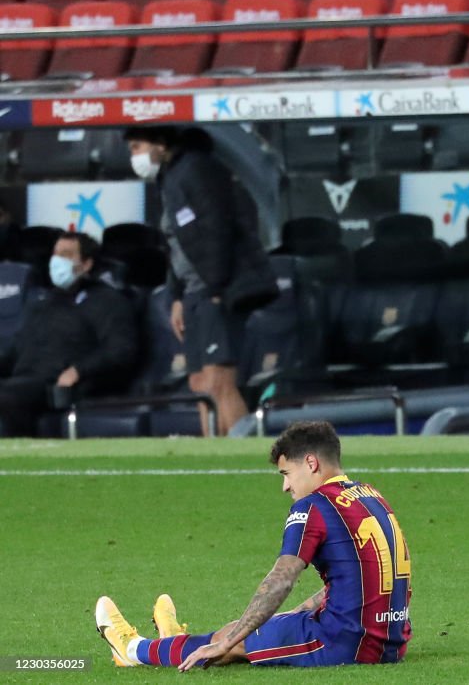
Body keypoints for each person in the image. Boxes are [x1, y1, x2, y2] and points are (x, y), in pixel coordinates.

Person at [95, 420, 413, 671]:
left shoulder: (313, 506)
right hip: (391, 641)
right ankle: (176, 641)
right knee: (252, 629)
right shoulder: (370, 496)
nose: (285, 485)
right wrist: (293, 614)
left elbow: (282, 577)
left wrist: (231, 639)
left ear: (312, 464)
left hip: (343, 644)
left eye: (287, 473)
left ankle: (132, 650)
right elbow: (364, 578)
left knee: (229, 640)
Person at [124, 126, 276, 436]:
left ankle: (245, 459)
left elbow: (217, 229)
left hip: (214, 289)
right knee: (199, 384)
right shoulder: (169, 178)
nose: (134, 156)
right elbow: (178, 244)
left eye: (137, 146)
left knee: (219, 380)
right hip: (193, 291)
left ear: (161, 143)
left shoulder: (198, 169)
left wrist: (216, 287)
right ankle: (214, 457)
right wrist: (177, 297)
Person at [0, 231, 138, 436]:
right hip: (25, 379)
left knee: (5, 397)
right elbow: (16, 349)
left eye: (65, 255)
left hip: (61, 384)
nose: (56, 261)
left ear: (86, 264)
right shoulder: (43, 303)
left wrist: (79, 370)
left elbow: (122, 349)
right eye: (55, 254)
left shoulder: (107, 301)